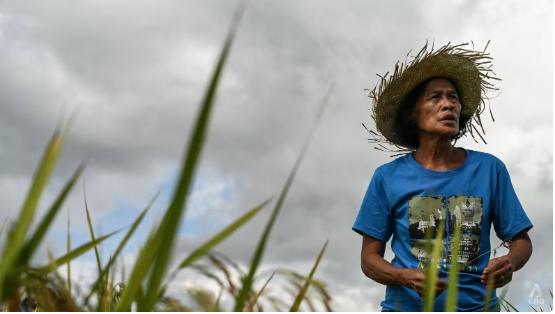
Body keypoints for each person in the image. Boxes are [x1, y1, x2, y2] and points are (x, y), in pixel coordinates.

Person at [352, 41, 533, 312]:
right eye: (435, 97)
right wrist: (404, 276)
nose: (448, 105)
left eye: (453, 98)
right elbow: (369, 259)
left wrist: (511, 262)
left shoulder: (489, 169)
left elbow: (521, 241)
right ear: (413, 114)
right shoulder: (387, 178)